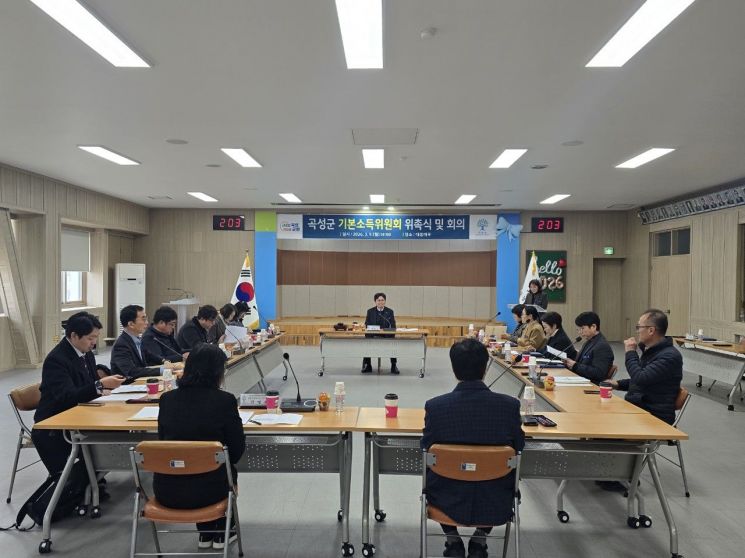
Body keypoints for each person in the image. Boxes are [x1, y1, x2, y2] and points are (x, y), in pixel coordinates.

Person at [421, 339, 524, 558]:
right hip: (495, 499)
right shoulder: (509, 406)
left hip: (446, 498)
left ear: (454, 369)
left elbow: (425, 449)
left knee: (437, 472)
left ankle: (452, 539)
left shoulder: (436, 407)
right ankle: (479, 539)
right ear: (485, 368)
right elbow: (519, 447)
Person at [154, 343, 245, 550]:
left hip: (167, 491)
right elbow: (235, 451)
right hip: (212, 492)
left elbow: (164, 443)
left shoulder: (167, 399)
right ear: (218, 372)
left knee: (189, 463)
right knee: (221, 466)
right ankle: (222, 530)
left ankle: (205, 531)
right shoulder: (225, 401)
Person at [33, 312, 125, 476]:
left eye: (96, 337)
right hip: (55, 425)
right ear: (74, 336)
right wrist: (100, 385)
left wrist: (102, 388)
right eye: (90, 338)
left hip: (83, 412)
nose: (94, 343)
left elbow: (90, 383)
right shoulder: (57, 360)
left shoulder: (85, 352)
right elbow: (67, 397)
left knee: (119, 424)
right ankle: (87, 479)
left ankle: (93, 477)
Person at [610, 309, 683, 424]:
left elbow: (641, 378)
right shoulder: (653, 351)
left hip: (653, 417)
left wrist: (630, 352)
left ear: (651, 330)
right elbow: (646, 380)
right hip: (639, 409)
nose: (637, 331)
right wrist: (617, 384)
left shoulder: (669, 356)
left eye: (639, 327)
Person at [564, 311, 614, 384]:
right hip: (580, 380)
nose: (580, 332)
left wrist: (575, 366)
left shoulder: (602, 346)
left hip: (591, 385)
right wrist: (569, 363)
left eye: (582, 328)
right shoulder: (589, 341)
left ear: (593, 327)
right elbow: (581, 363)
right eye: (579, 329)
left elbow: (599, 373)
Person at [111, 305, 157, 379]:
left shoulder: (137, 339)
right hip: (128, 384)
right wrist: (161, 370)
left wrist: (166, 362)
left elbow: (151, 357)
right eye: (143, 319)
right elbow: (132, 371)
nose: (147, 322)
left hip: (141, 381)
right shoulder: (121, 345)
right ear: (131, 324)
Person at [361, 292, 399, 375]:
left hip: (386, 336)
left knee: (392, 343)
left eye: (382, 300)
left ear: (385, 301)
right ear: (375, 301)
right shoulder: (370, 311)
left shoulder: (390, 311)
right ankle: (367, 365)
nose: (380, 302)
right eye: (378, 300)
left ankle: (394, 365)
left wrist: (387, 331)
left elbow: (393, 325)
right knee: (367, 342)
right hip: (373, 335)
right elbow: (367, 324)